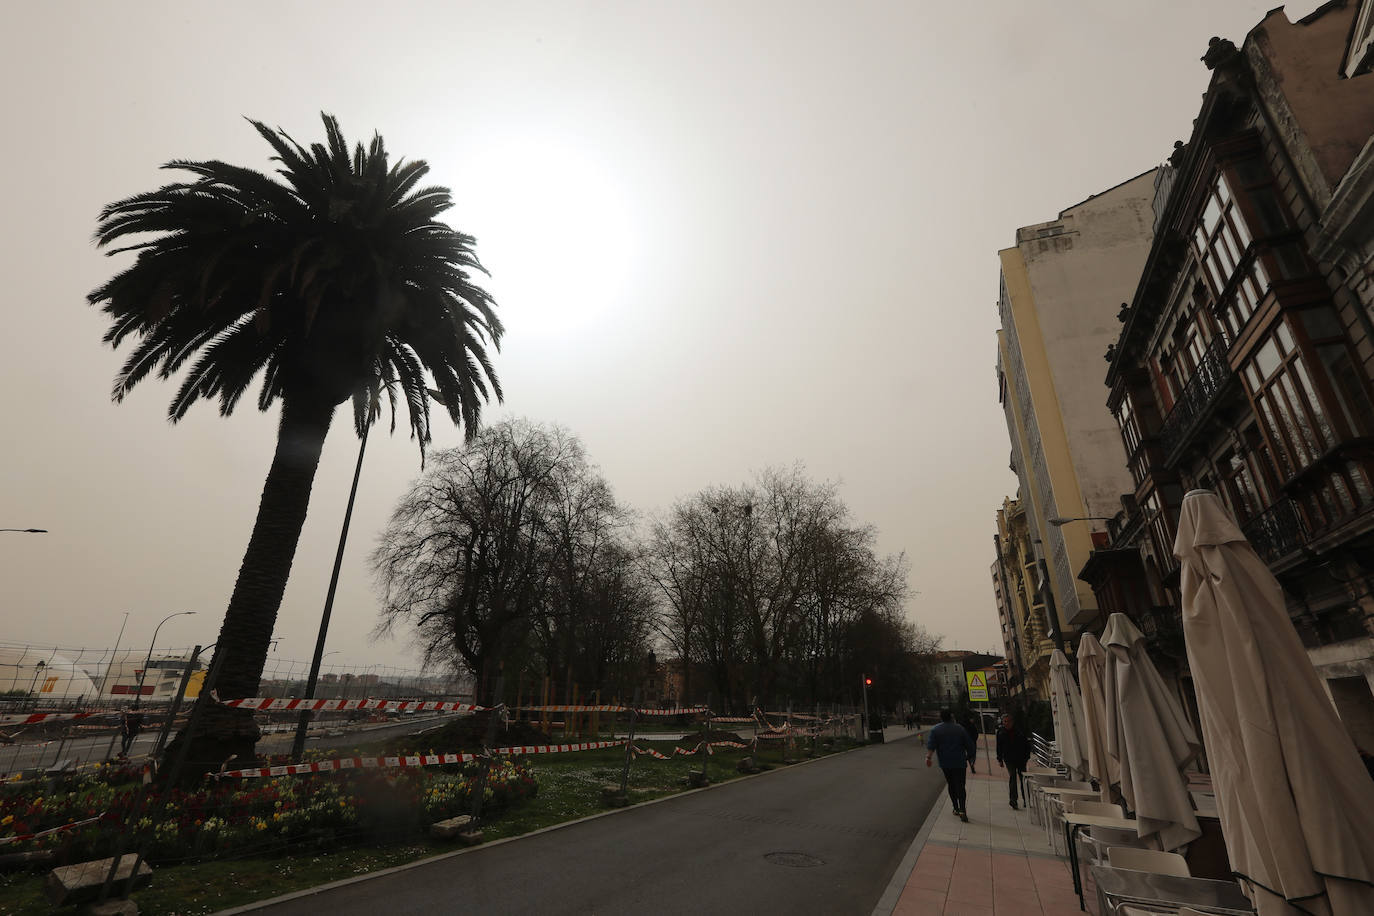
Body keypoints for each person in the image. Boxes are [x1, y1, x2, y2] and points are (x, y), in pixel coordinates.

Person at [926, 709, 976, 821]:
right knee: (960, 785)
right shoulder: (960, 729)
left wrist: (928, 757)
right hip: (959, 762)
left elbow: (931, 745)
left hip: (945, 763)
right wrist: (970, 756)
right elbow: (970, 745)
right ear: (951, 717)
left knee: (951, 784)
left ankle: (956, 807)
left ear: (941, 717)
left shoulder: (935, 730)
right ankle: (963, 809)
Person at [995, 713, 1031, 810]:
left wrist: (1026, 757)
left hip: (1021, 759)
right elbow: (999, 747)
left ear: (1012, 722)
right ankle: (1013, 800)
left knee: (1023, 778)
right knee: (1012, 777)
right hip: (1009, 759)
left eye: (1008, 721)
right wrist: (999, 759)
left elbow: (1027, 744)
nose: (1006, 723)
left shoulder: (1019, 731)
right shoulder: (1000, 732)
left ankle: (1026, 799)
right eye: (1004, 722)